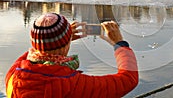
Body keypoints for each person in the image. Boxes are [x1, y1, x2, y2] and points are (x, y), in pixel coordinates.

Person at [5, 13, 138, 97]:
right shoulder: (73, 84)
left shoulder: (14, 75)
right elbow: (128, 79)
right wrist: (119, 44)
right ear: (67, 42)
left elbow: (30, 55)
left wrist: (59, 39)